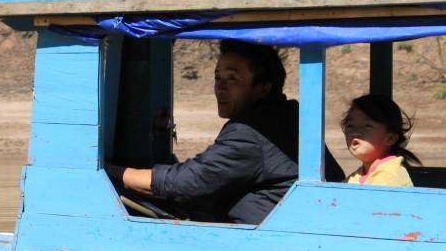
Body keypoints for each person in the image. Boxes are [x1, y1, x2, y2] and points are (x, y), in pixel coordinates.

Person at [106, 39, 345, 224]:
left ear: (262, 89)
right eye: (217, 77)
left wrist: (112, 172)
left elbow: (188, 182)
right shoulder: (288, 114)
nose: (219, 86)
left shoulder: (251, 130)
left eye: (232, 78)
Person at [340, 94, 421, 187]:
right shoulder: (357, 176)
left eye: (367, 126)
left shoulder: (390, 175)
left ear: (390, 138)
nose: (355, 132)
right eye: (350, 126)